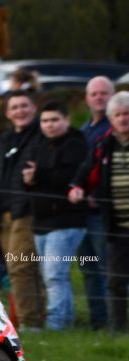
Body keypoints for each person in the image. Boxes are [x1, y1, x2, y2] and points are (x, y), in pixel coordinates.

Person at [22, 101, 88, 331]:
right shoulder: (40, 145)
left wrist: (38, 175)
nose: (49, 125)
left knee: (54, 275)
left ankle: (57, 324)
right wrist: (29, 180)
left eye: (54, 120)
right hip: (42, 220)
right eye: (45, 121)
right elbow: (35, 180)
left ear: (67, 121)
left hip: (66, 221)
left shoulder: (76, 144)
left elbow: (72, 177)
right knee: (50, 275)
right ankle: (64, 322)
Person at [70, 91, 129, 332]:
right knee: (115, 281)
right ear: (110, 119)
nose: (123, 119)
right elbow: (85, 171)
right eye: (118, 115)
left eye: (127, 114)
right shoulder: (102, 145)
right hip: (116, 226)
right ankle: (118, 330)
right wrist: (77, 187)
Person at [0, 90, 44, 329]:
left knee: (20, 265)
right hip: (3, 213)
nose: (20, 111)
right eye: (15, 107)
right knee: (22, 268)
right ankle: (38, 317)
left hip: (27, 212)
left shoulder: (41, 137)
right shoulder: (4, 140)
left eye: (24, 106)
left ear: (33, 108)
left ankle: (28, 322)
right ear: (8, 113)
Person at [79, 76, 116, 329]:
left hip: (105, 213)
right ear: (87, 98)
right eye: (94, 94)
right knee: (88, 267)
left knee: (109, 269)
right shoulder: (83, 131)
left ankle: (116, 322)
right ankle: (98, 321)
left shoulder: (117, 129)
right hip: (80, 213)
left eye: (104, 93)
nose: (99, 97)